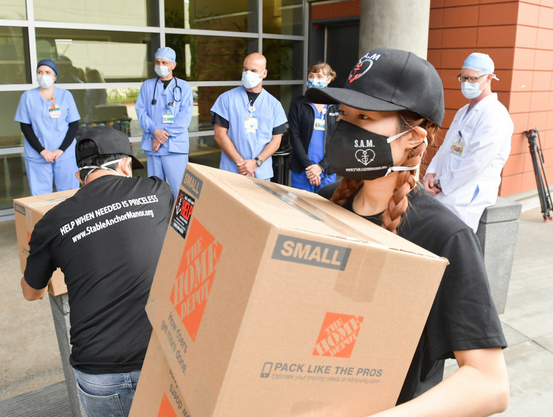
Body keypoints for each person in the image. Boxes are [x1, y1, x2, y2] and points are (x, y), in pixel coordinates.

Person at [307, 47, 509, 416]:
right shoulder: (325, 203)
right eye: (344, 115)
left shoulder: (444, 237)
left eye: (364, 117)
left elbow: (489, 383)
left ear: (414, 138)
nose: (347, 128)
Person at [20, 126, 175, 417]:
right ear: (126, 165)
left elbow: (31, 293)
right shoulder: (157, 190)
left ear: (79, 176)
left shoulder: (51, 223)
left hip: (98, 371)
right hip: (161, 355)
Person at [422, 52, 514, 232]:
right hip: (443, 188)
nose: (466, 84)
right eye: (463, 78)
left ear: (488, 78)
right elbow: (445, 148)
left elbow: (477, 162)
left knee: (454, 246)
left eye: (472, 79)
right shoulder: (464, 110)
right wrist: (431, 174)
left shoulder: (495, 115)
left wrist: (442, 184)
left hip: (467, 196)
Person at [210, 52, 288, 180]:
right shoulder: (226, 99)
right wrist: (241, 164)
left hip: (261, 173)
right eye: (245, 69)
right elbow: (219, 135)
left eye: (253, 70)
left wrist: (255, 163)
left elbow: (276, 141)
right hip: (231, 171)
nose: (248, 74)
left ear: (264, 73)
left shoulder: (274, 104)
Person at [14, 59, 81, 195]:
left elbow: (74, 125)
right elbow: (25, 127)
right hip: (37, 154)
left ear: (54, 76)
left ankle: (68, 217)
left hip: (64, 153)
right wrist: (42, 151)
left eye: (47, 72)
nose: (43, 75)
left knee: (69, 194)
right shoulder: (27, 97)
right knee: (40, 196)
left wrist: (61, 149)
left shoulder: (65, 95)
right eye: (40, 72)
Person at [136, 47, 194, 196]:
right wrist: (154, 131)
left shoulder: (184, 87)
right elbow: (141, 111)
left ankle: (180, 219)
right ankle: (158, 219)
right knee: (154, 189)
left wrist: (162, 137)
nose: (160, 65)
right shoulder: (147, 86)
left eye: (164, 62)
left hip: (175, 147)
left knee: (179, 187)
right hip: (153, 144)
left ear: (173, 65)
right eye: (157, 62)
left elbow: (185, 117)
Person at [288, 62, 339, 192]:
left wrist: (320, 168)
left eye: (319, 77)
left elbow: (339, 139)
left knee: (324, 209)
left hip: (326, 171)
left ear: (328, 80)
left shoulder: (337, 106)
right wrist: (310, 168)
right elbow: (294, 136)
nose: (314, 80)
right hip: (302, 169)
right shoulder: (298, 104)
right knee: (299, 207)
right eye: (311, 76)